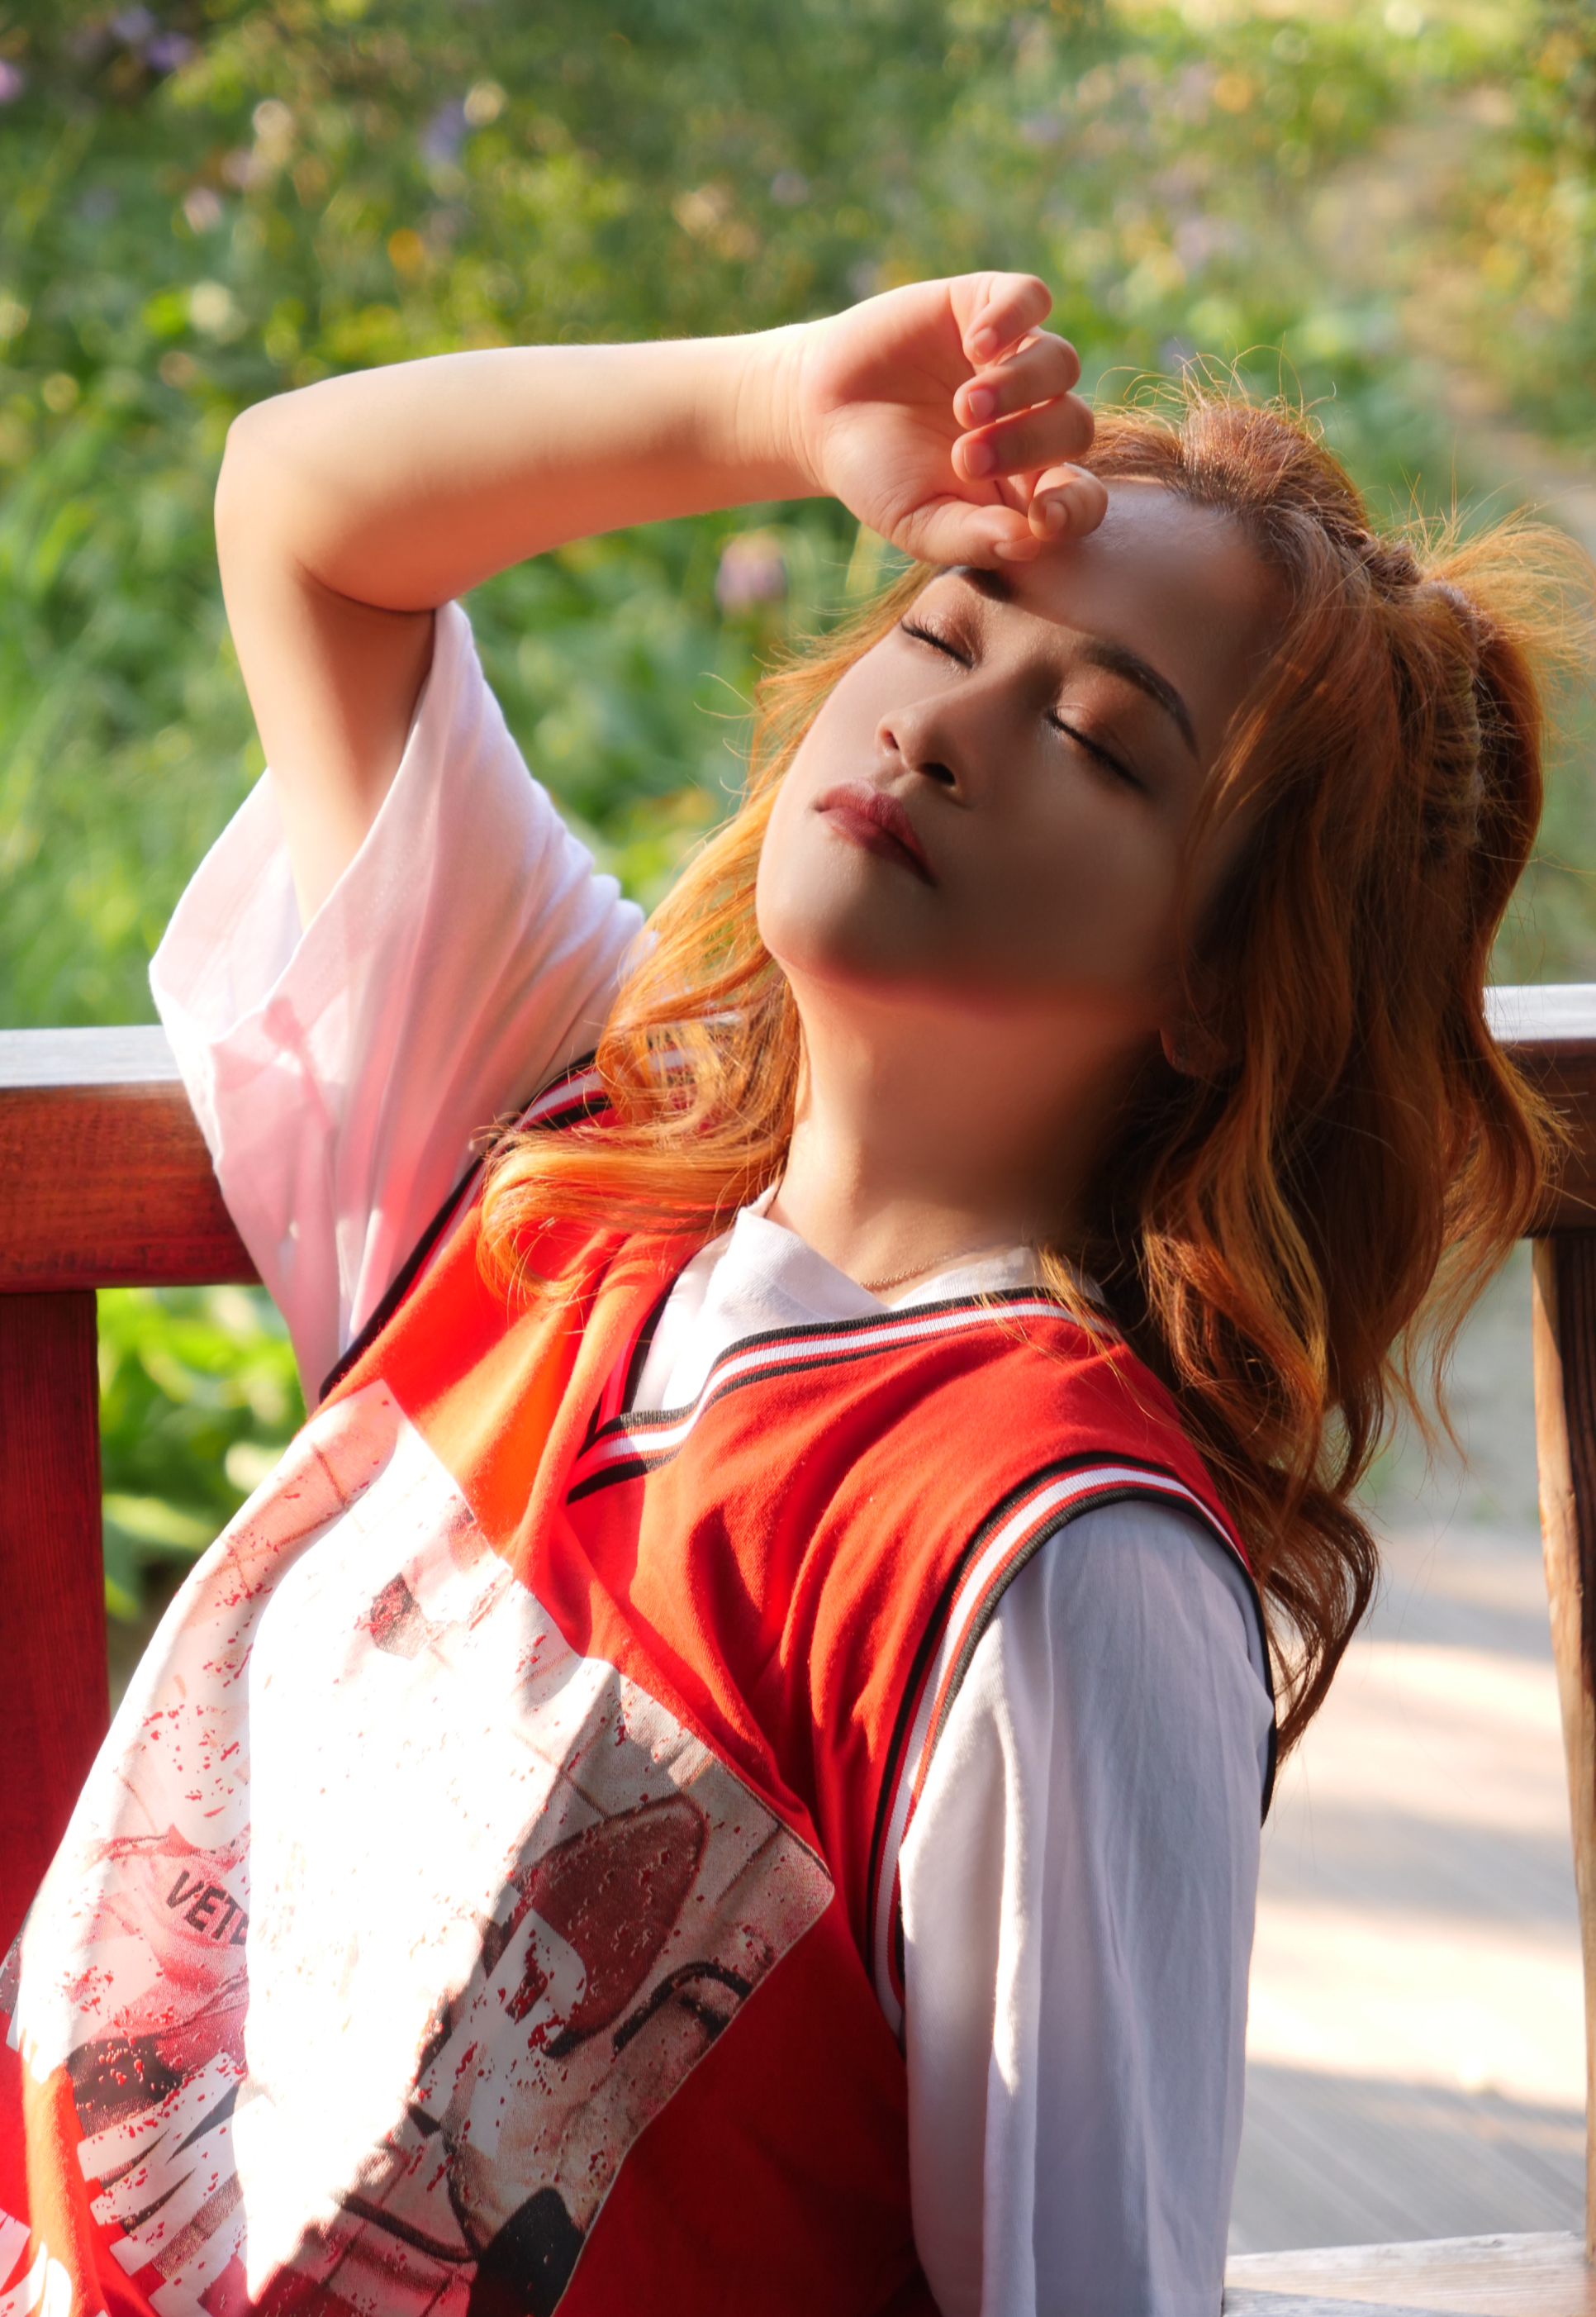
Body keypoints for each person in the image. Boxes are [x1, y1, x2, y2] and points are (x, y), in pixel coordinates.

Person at [0, 272, 1567, 2317]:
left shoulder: (1054, 1561)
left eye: (1096, 739)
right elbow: (304, 514)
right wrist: (776, 400)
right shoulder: (558, 1143)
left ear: (1220, 980)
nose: (943, 725)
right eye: (943, 629)